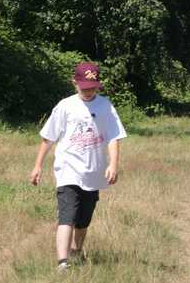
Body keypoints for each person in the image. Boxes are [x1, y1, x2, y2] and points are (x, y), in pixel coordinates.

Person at [30, 62, 127, 271]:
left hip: (93, 173)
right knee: (67, 216)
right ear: (74, 82)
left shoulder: (105, 106)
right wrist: (38, 165)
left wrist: (113, 164)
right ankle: (62, 263)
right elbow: (48, 137)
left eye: (92, 87)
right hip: (68, 169)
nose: (88, 91)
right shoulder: (65, 106)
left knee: (83, 220)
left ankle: (77, 250)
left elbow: (114, 137)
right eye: (84, 87)